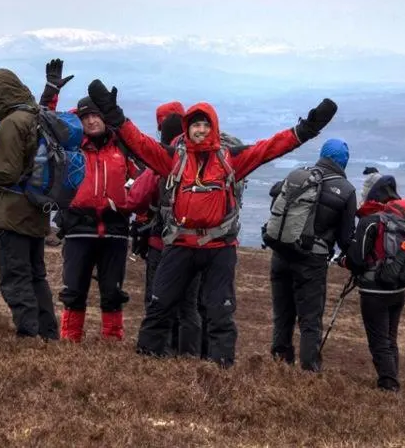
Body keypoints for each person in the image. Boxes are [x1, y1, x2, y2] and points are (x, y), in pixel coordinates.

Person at [86, 79, 338, 367]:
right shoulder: (172, 159)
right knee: (159, 307)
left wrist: (307, 128)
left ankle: (220, 373)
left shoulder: (231, 159)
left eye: (206, 125)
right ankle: (146, 367)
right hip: (180, 244)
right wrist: (113, 114)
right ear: (187, 128)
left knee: (220, 313)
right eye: (195, 125)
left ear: (214, 127)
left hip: (220, 248)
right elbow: (139, 142)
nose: (201, 130)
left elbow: (271, 148)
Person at [0, 68, 58, 340]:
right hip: (36, 211)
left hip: (14, 214)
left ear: (3, 93)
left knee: (16, 278)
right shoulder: (37, 117)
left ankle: (29, 338)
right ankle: (48, 336)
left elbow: (4, 173)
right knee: (36, 278)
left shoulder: (12, 123)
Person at [55, 95, 142, 342]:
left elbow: (143, 181)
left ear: (104, 118)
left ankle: (112, 345)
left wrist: (130, 205)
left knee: (112, 293)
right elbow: (44, 130)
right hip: (78, 230)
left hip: (115, 231)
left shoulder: (122, 147)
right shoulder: (70, 147)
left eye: (96, 115)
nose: (92, 121)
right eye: (85, 117)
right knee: (74, 291)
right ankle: (70, 342)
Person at [265, 138, 357, 371]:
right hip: (311, 261)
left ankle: (278, 367)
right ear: (344, 161)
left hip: (281, 254)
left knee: (282, 316)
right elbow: (346, 239)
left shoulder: (298, 175)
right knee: (310, 321)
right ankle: (309, 373)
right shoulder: (346, 191)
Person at [128, 103, 204, 356]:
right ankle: (190, 356)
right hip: (199, 245)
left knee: (158, 301)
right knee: (190, 306)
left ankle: (157, 353)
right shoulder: (204, 156)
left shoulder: (164, 158)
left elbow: (137, 197)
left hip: (162, 245)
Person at [351, 168, 405, 392]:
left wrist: (346, 262)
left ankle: (388, 386)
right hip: (398, 288)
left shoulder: (370, 222)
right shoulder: (401, 219)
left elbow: (357, 259)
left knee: (378, 340)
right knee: (390, 338)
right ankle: (392, 379)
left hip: (374, 291)